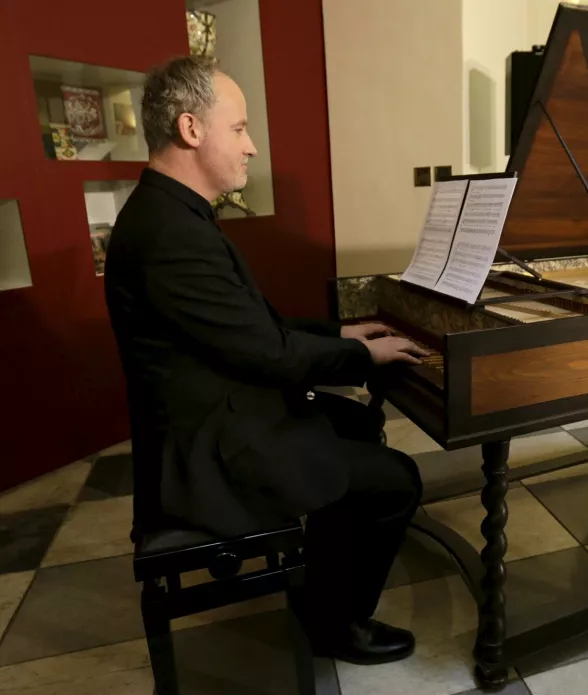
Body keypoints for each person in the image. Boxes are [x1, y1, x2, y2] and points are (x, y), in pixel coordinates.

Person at [103, 54, 429, 665]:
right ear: (191, 129)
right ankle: (338, 624)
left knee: (356, 426)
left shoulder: (170, 214)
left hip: (214, 411)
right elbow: (267, 352)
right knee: (396, 480)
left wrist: (340, 330)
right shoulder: (170, 233)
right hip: (207, 448)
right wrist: (361, 354)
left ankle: (321, 591)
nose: (251, 146)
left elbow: (254, 324)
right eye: (239, 128)